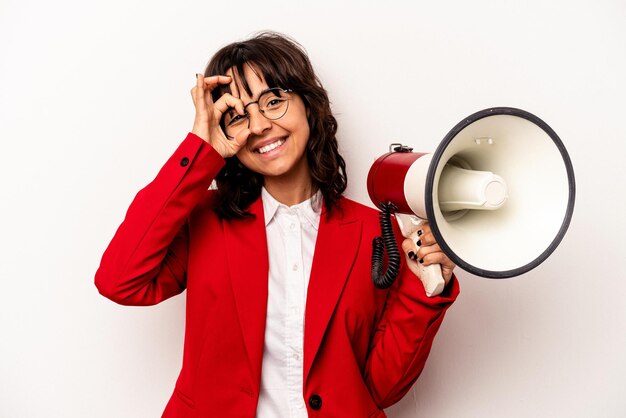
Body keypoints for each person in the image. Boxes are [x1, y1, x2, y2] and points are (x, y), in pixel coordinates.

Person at [95, 31, 459, 418]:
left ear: (308, 104)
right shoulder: (204, 220)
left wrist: (422, 289)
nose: (259, 125)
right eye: (237, 115)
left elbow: (381, 389)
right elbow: (119, 281)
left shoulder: (377, 232)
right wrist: (201, 148)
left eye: (273, 101)